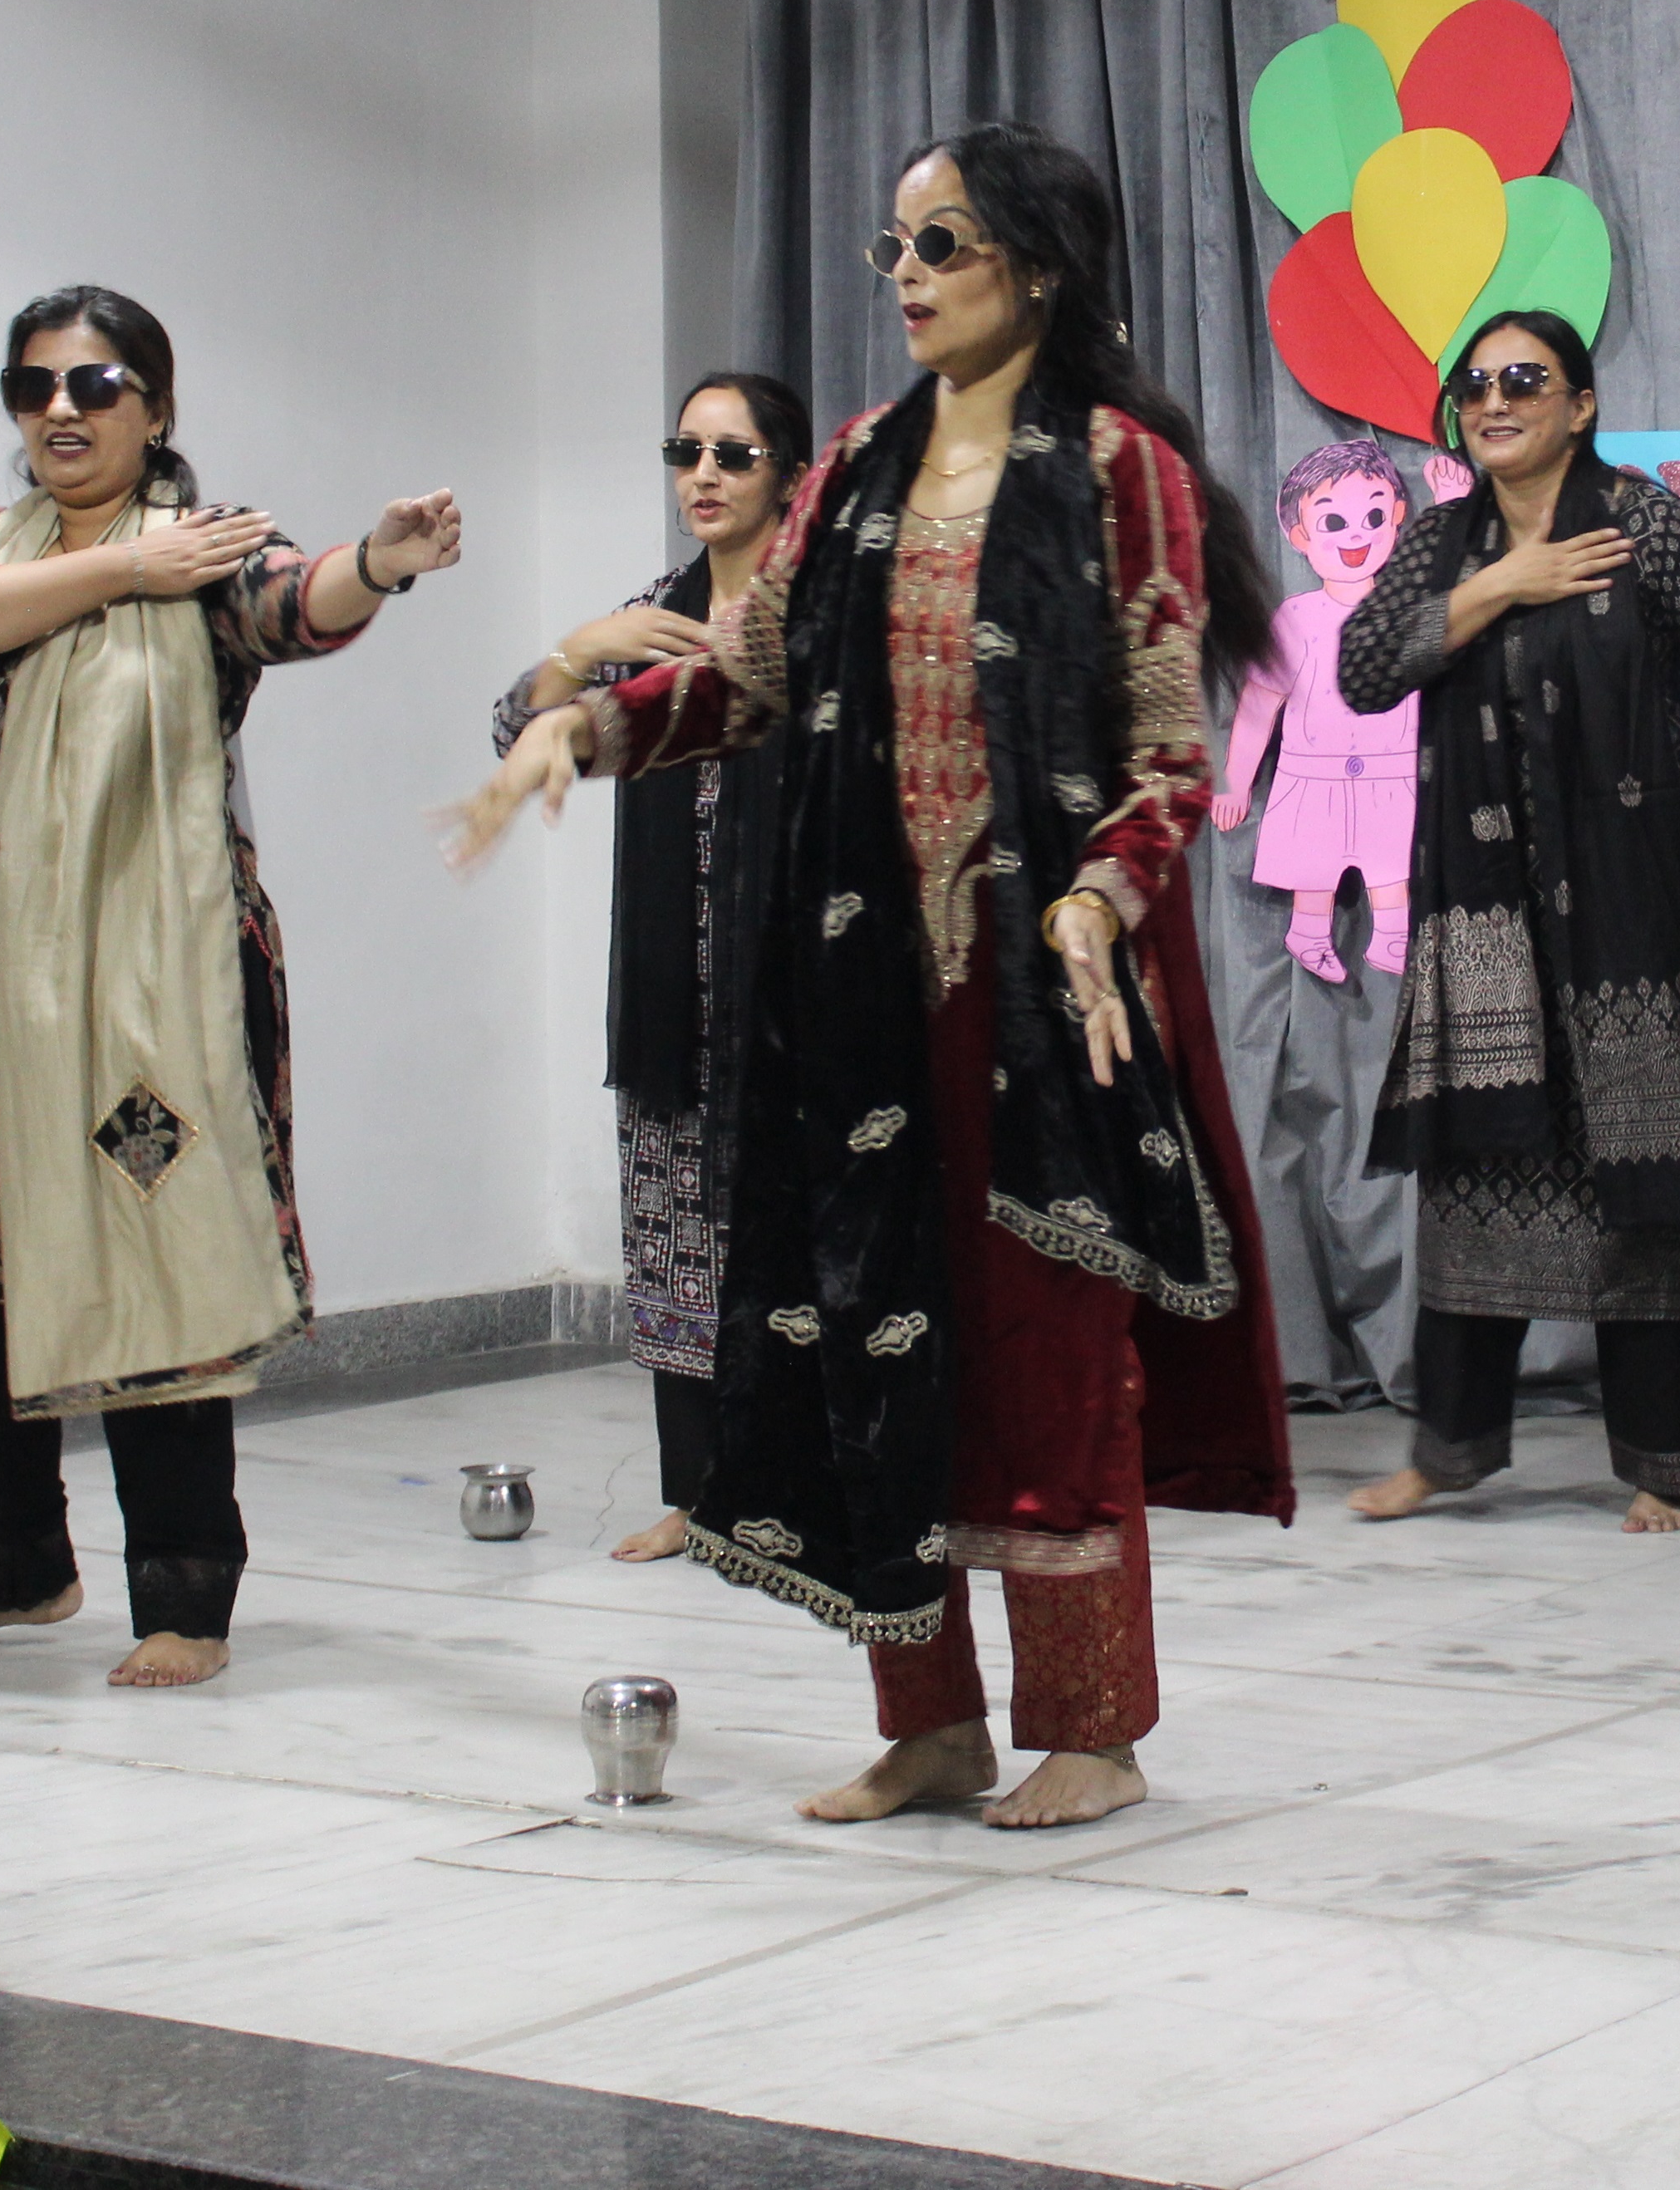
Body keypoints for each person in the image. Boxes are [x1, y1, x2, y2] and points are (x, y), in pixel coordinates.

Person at [453, 124, 1289, 1831]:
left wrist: (1101, 899)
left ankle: (1093, 1728)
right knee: (870, 1337)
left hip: (1043, 998)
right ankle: (932, 1722)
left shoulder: (1118, 467)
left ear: (1035, 266)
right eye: (894, 247)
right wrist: (582, 731)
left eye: (943, 243)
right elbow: (746, 677)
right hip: (855, 986)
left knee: (1048, 1351)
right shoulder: (853, 467)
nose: (906, 276)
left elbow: (1167, 747)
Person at [0, 284, 464, 1689]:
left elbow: (291, 604)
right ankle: (16, 1569)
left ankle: (185, 1598)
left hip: (147, 979)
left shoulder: (208, 546)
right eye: (34, 385)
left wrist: (378, 563)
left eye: (94, 385)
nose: (61, 409)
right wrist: (119, 573)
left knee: (159, 1255)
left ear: (155, 409)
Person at [1334, 310, 1680, 1534]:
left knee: (1650, 1158)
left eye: (1524, 380)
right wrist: (1496, 587)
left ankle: (1668, 1454)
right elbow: (1365, 667)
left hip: (1640, 898)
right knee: (1474, 1161)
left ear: (1580, 405)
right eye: (1475, 386)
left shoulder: (1640, 524)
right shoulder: (1441, 542)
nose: (1494, 401)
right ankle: (1450, 1449)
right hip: (1484, 908)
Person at [493, 370, 813, 1562]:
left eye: (734, 454)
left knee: (806, 1239)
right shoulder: (651, 617)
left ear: (790, 473)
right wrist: (580, 648)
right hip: (677, 989)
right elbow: (512, 731)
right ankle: (699, 1492)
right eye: (686, 453)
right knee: (680, 1236)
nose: (705, 476)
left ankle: (813, 1491)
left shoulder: (822, 616)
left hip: (801, 985)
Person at [1215, 440, 1422, 984]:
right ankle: (1308, 933)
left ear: (1397, 516)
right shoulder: (1297, 616)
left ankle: (1393, 936)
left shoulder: (1407, 610)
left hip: (1391, 771)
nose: (1356, 535)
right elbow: (1259, 702)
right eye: (1333, 522)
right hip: (1314, 775)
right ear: (1299, 535)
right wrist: (1235, 781)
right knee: (1316, 861)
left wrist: (1453, 503)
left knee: (1390, 860)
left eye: (1373, 516)